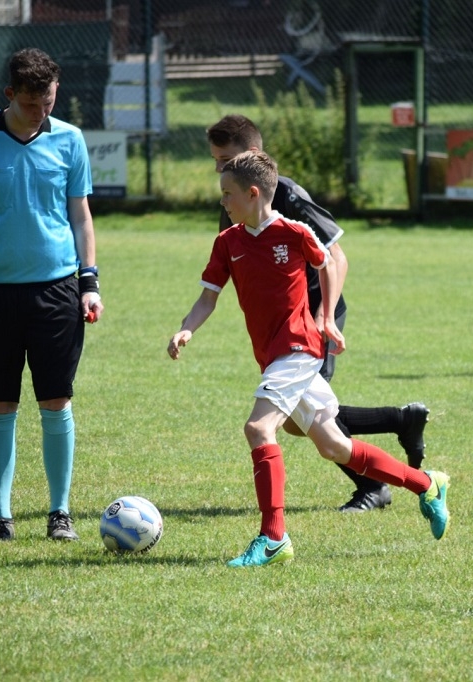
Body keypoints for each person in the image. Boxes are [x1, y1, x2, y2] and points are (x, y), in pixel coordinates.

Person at [168, 150, 450, 567]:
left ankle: (273, 538)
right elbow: (208, 297)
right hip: (272, 357)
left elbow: (328, 262)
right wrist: (187, 328)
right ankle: (427, 484)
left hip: (299, 348)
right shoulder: (227, 242)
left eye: (227, 194)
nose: (222, 202)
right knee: (334, 446)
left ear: (253, 193)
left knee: (258, 428)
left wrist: (327, 317)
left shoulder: (294, 232)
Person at [206, 114, 429, 514]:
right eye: (216, 161)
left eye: (225, 159)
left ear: (252, 155)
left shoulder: (288, 195)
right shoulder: (234, 197)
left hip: (310, 318)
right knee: (298, 421)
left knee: (294, 422)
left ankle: (373, 485)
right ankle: (400, 422)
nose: (219, 168)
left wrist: (324, 315)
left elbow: (335, 256)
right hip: (280, 323)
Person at [0, 47, 103, 543]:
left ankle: (60, 513)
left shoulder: (70, 139)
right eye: (30, 103)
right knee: (0, 404)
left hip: (57, 290)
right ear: (9, 93)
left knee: (56, 400)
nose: (40, 112)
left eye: (48, 102)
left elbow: (80, 215)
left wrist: (89, 282)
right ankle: (2, 517)